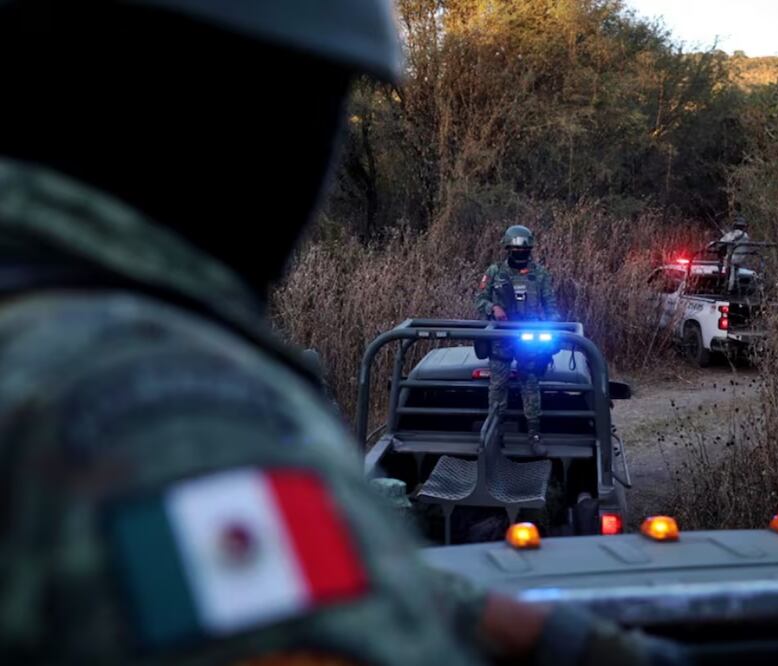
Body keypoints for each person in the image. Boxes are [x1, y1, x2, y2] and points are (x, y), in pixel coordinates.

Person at [0, 2, 690, 665]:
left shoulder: (44, 328)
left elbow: (253, 591)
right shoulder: (169, 411)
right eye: (332, 104)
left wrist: (474, 614)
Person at [475, 225, 559, 456]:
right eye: (514, 249)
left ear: (530, 250)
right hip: (501, 338)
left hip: (529, 338)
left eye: (524, 249)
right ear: (507, 248)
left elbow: (551, 306)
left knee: (530, 383)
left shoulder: (540, 274)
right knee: (497, 386)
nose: (519, 253)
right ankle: (495, 434)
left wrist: (555, 333)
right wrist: (493, 308)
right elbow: (479, 299)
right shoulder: (494, 272)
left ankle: (533, 434)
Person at [716, 215, 753, 292]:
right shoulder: (746, 236)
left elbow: (721, 243)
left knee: (727, 269)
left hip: (732, 258)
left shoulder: (734, 234)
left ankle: (726, 288)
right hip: (742, 259)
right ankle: (732, 287)